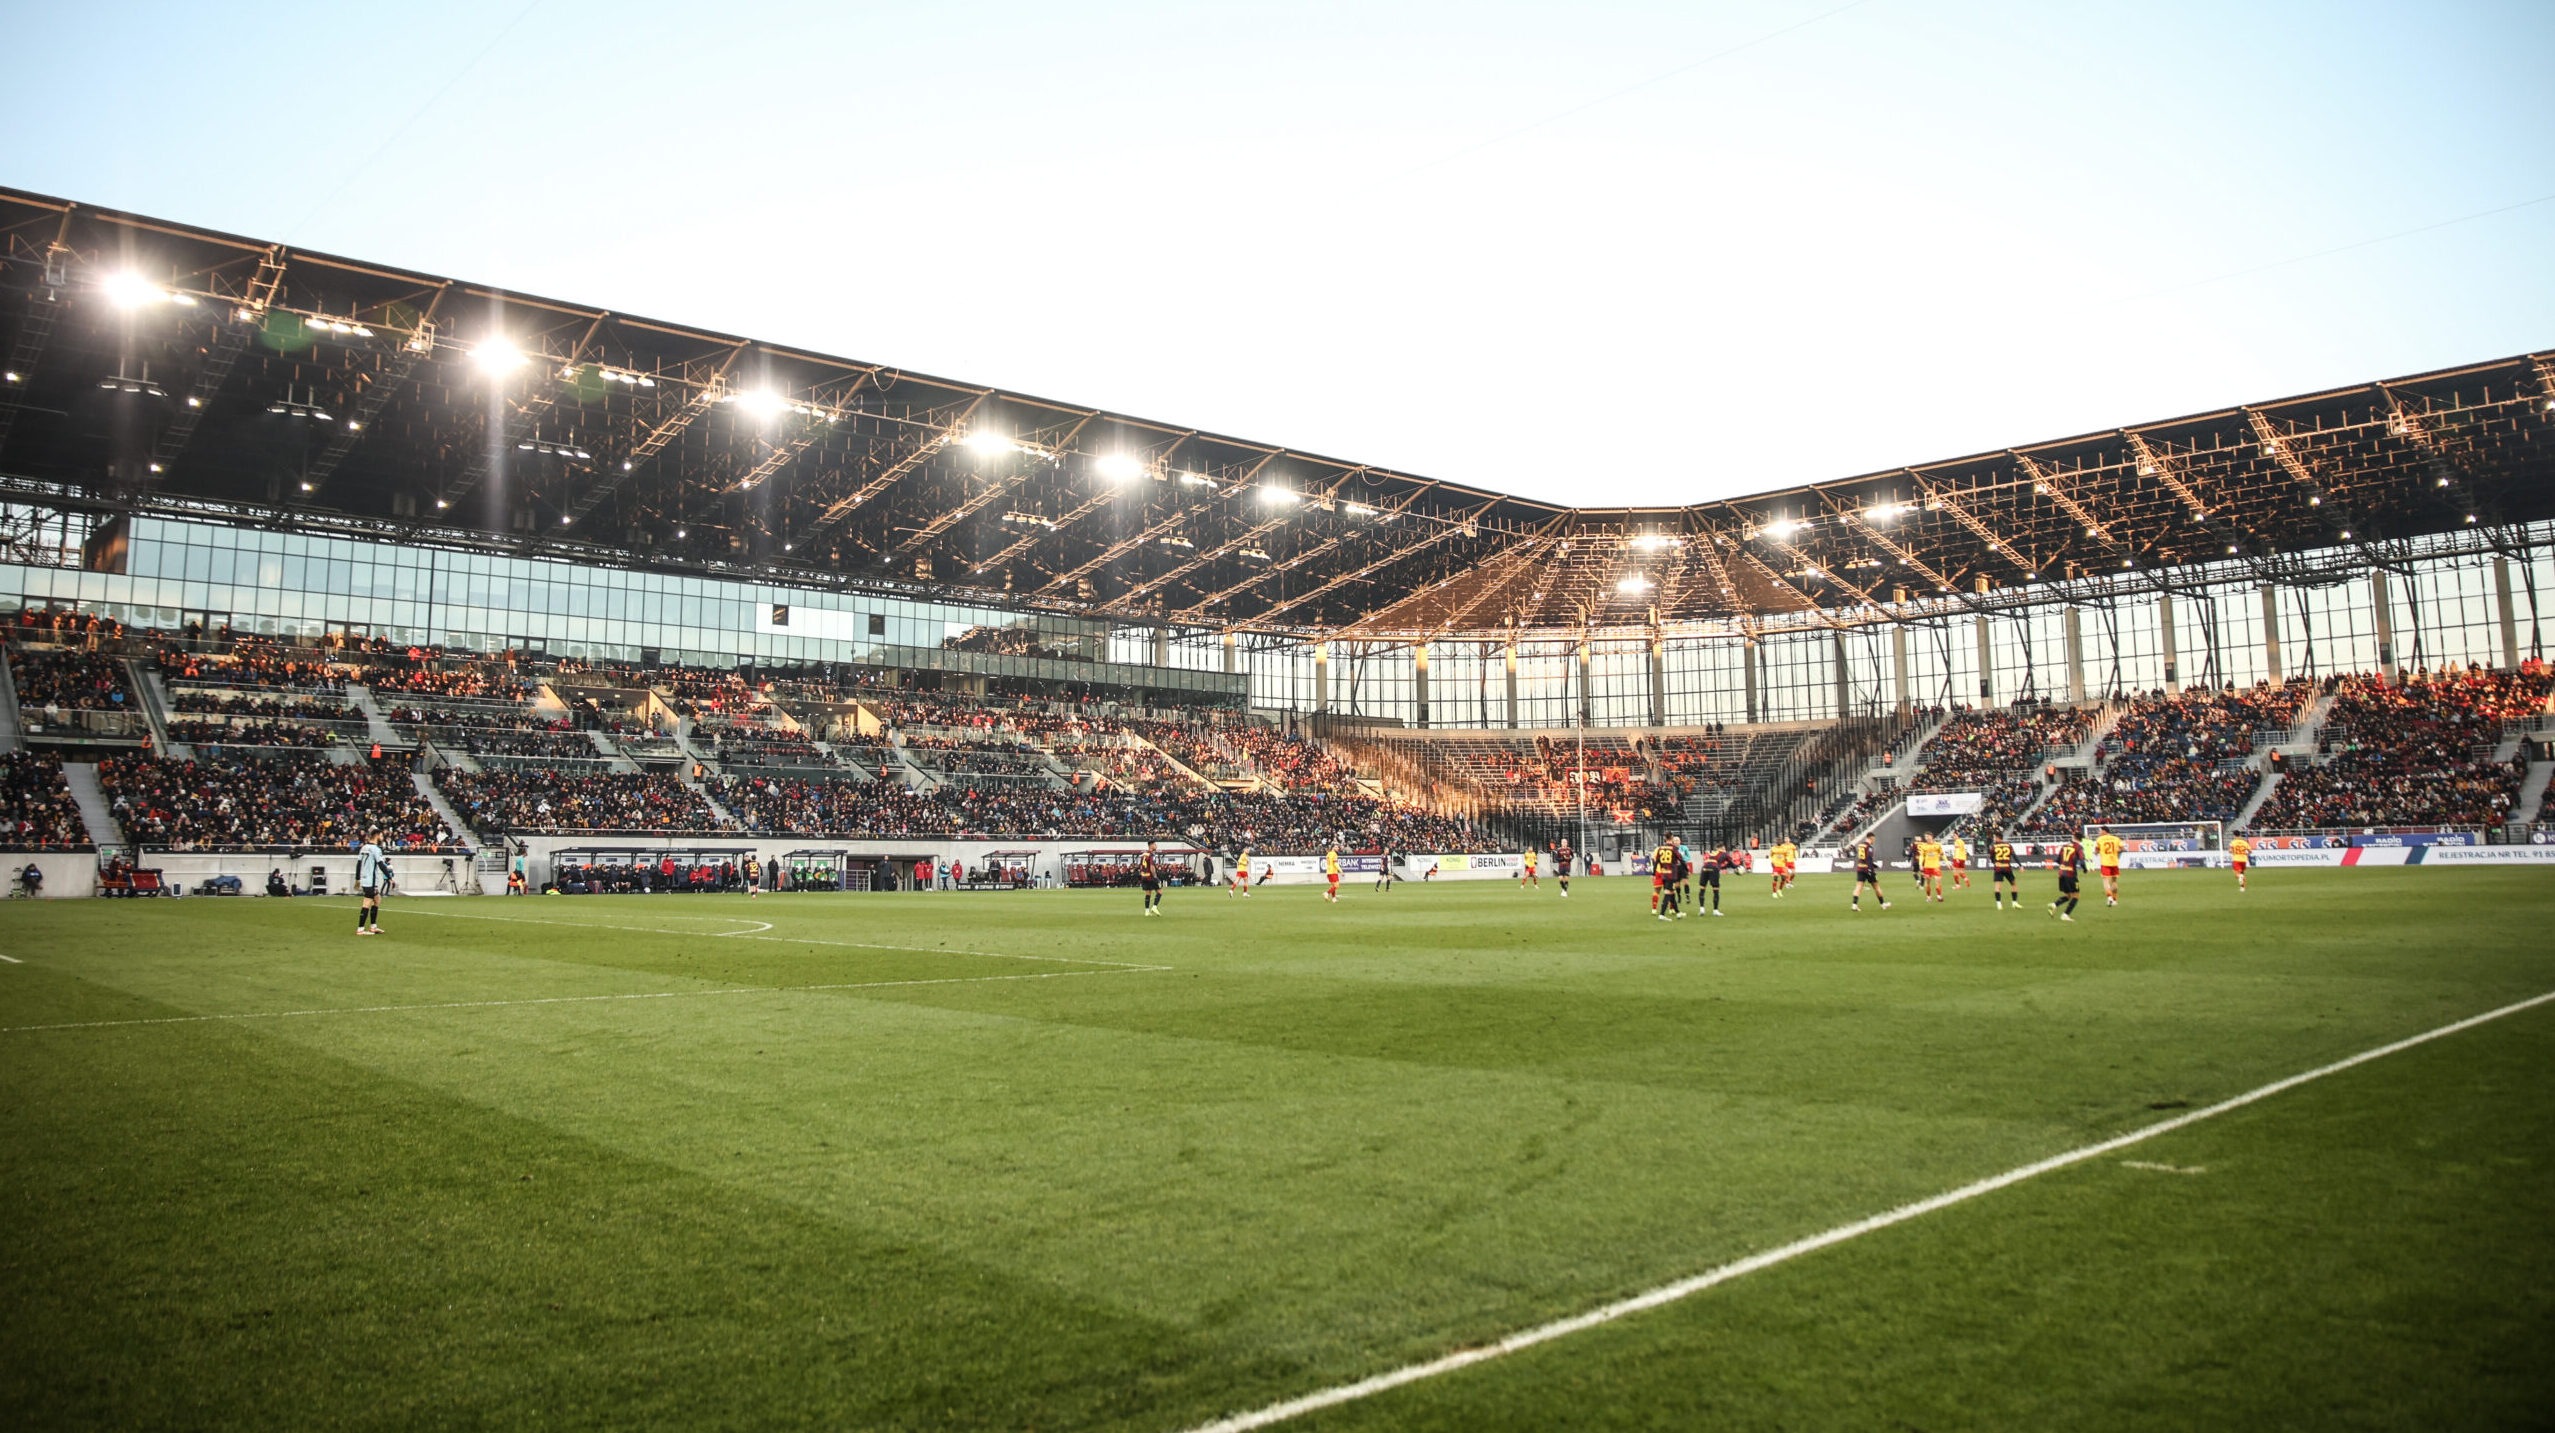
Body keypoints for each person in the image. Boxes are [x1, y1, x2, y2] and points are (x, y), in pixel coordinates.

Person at [355, 833, 386, 936]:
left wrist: (357, 879)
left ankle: (373, 927)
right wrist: (389, 877)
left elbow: (359, 863)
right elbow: (381, 864)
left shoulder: (364, 847)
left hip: (365, 879)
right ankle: (360, 929)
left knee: (377, 899)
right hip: (370, 881)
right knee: (367, 903)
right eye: (381, 836)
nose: (382, 838)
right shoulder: (376, 849)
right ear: (376, 836)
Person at [2050, 834, 2086, 922]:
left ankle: (2054, 904)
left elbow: (2058, 860)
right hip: (2071, 874)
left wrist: (2064, 865)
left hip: (2061, 873)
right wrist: (2085, 869)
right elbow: (2082, 861)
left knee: (2068, 895)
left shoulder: (2064, 846)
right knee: (2076, 895)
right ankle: (2065, 915)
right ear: (2081, 839)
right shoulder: (2078, 847)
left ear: (2073, 838)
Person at [1850, 835, 1890, 912]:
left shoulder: (1861, 845)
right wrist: (1870, 870)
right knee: (1876, 887)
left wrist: (1874, 865)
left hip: (1860, 868)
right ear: (1870, 838)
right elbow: (1868, 858)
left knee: (1858, 887)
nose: (1873, 841)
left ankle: (1854, 905)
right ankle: (1883, 904)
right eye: (1873, 839)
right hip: (1867, 869)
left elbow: (1863, 858)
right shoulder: (1869, 847)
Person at [1652, 835, 1682, 921]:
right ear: (1672, 839)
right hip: (1670, 874)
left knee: (1670, 892)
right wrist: (1686, 869)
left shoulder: (1659, 848)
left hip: (1661, 872)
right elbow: (1680, 859)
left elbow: (1655, 860)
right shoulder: (1673, 848)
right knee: (1668, 893)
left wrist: (1653, 873)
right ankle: (1662, 914)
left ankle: (1677, 912)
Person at [2094, 827, 2125, 907]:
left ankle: (2109, 897)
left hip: (2105, 862)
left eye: (2100, 831)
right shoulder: (2116, 839)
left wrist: (2096, 852)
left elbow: (2096, 851)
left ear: (2104, 831)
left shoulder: (2099, 839)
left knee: (2105, 880)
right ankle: (2115, 900)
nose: (2099, 832)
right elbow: (2122, 849)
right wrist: (2116, 850)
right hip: (2114, 862)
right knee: (2114, 881)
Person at [1989, 834, 2018, 910]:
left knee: (1997, 887)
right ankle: (2014, 902)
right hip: (2007, 867)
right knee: (2014, 884)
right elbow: (2014, 855)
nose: (1994, 839)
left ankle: (1999, 904)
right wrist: (2020, 865)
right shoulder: (2008, 845)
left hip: (1998, 868)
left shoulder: (1994, 847)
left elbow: (1991, 857)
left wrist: (1994, 862)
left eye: (1995, 837)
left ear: (1998, 838)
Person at [1696, 843, 1724, 916]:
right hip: (1713, 870)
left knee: (1702, 889)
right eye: (1724, 848)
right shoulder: (1723, 854)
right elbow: (1730, 863)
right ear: (1721, 848)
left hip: (1704, 869)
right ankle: (1715, 911)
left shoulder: (1711, 854)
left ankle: (1702, 909)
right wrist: (1737, 867)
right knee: (1715, 890)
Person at [1917, 833, 1944, 903]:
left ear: (1932, 836)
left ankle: (1939, 896)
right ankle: (1928, 897)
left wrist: (1946, 862)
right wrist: (1920, 864)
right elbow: (1921, 856)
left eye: (1928, 836)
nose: (1926, 838)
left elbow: (1942, 854)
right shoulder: (1923, 846)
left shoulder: (1938, 845)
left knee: (1938, 881)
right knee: (1928, 882)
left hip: (1936, 866)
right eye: (1925, 836)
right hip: (1927, 867)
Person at [1138, 841, 1164, 916]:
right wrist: (1155, 877)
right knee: (1159, 892)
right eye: (1155, 844)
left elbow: (1141, 866)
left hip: (1144, 876)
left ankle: (1146, 911)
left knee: (1148, 893)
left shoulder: (1143, 854)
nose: (1156, 846)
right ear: (1151, 845)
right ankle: (1154, 907)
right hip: (1150, 876)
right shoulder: (1151, 855)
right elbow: (1152, 867)